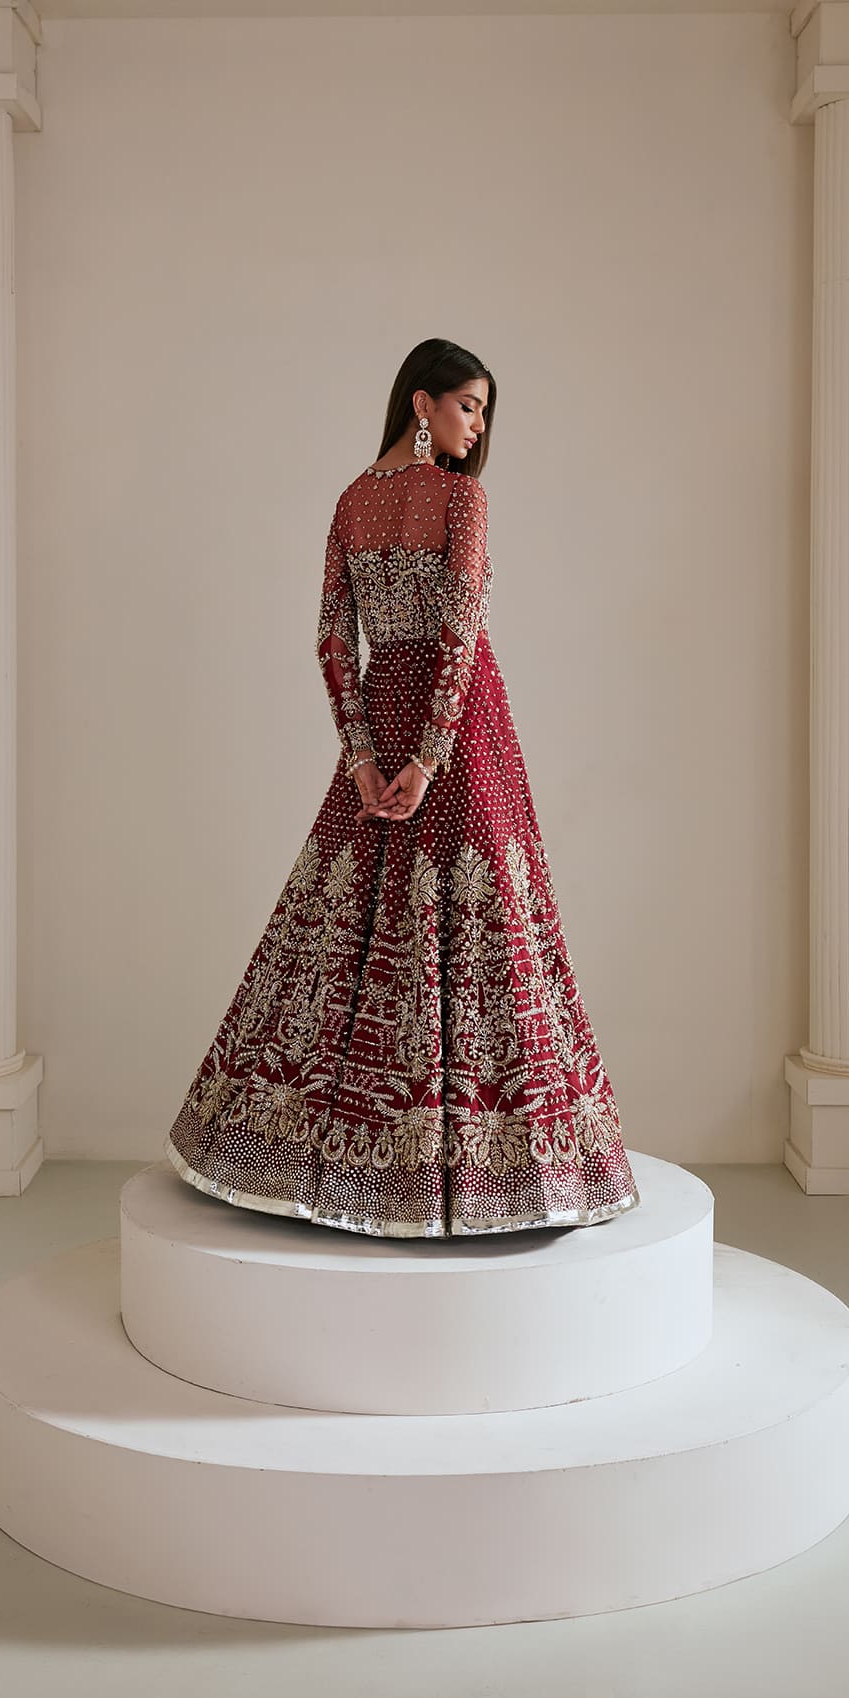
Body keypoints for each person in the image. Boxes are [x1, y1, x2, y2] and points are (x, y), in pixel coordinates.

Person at [165, 337, 641, 1236]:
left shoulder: (352, 501)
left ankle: (312, 1158)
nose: (479, 426)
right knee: (486, 919)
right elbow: (460, 634)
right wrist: (430, 758)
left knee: (351, 923)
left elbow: (332, 641)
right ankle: (508, 1174)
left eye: (485, 411)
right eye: (469, 405)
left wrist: (365, 756)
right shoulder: (462, 500)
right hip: (461, 729)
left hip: (384, 717)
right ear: (422, 403)